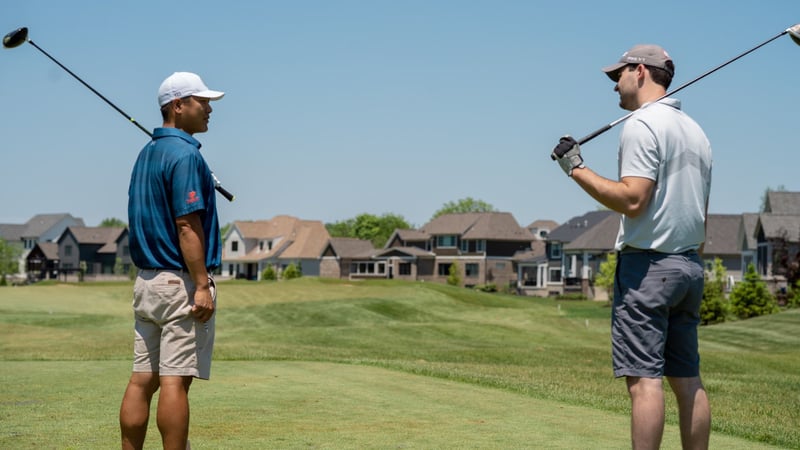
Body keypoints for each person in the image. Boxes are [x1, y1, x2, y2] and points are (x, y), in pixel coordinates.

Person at [551, 45, 712, 449]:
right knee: (687, 380)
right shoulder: (696, 131)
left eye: (618, 75)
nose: (614, 86)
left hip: (648, 270)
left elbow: (633, 199)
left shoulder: (641, 125)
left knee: (644, 382)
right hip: (689, 266)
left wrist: (576, 168)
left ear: (640, 71)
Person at [120, 71, 225, 450]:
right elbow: (186, 225)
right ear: (178, 107)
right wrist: (201, 285)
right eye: (202, 101)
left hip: (146, 281)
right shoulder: (185, 155)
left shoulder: (147, 154)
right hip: (178, 282)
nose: (209, 108)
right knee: (174, 381)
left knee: (141, 379)